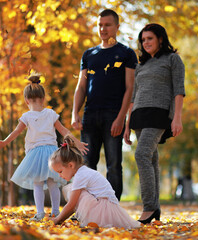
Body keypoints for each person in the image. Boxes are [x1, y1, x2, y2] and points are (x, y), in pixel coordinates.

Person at [0, 74, 88, 221]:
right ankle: (56, 212)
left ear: (26, 100)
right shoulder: (51, 114)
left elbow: (16, 133)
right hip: (52, 154)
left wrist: (4, 142)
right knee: (53, 183)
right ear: (43, 98)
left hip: (35, 154)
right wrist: (76, 141)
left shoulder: (26, 116)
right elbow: (64, 131)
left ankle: (40, 213)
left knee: (37, 184)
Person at [71, 9, 138, 201]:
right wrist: (75, 112)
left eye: (108, 25)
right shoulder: (89, 54)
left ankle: (112, 205)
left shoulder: (126, 53)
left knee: (114, 165)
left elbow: (129, 88)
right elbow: (81, 86)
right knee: (85, 164)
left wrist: (121, 118)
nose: (103, 28)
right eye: (100, 25)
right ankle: (86, 206)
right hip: (89, 115)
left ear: (117, 27)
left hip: (113, 115)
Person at [124, 23, 185, 224]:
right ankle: (155, 208)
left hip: (159, 114)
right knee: (151, 159)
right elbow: (133, 96)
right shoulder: (140, 65)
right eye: (143, 40)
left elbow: (179, 90)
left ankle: (148, 207)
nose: (146, 43)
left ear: (160, 38)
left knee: (142, 155)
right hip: (139, 115)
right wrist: (127, 124)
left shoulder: (172, 59)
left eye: (149, 38)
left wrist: (177, 118)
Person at [49, 135, 141, 229]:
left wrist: (57, 220)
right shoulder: (83, 171)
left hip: (103, 210)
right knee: (74, 190)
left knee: (75, 192)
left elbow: (71, 205)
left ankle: (92, 220)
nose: (60, 175)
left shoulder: (80, 176)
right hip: (109, 208)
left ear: (70, 165)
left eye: (60, 171)